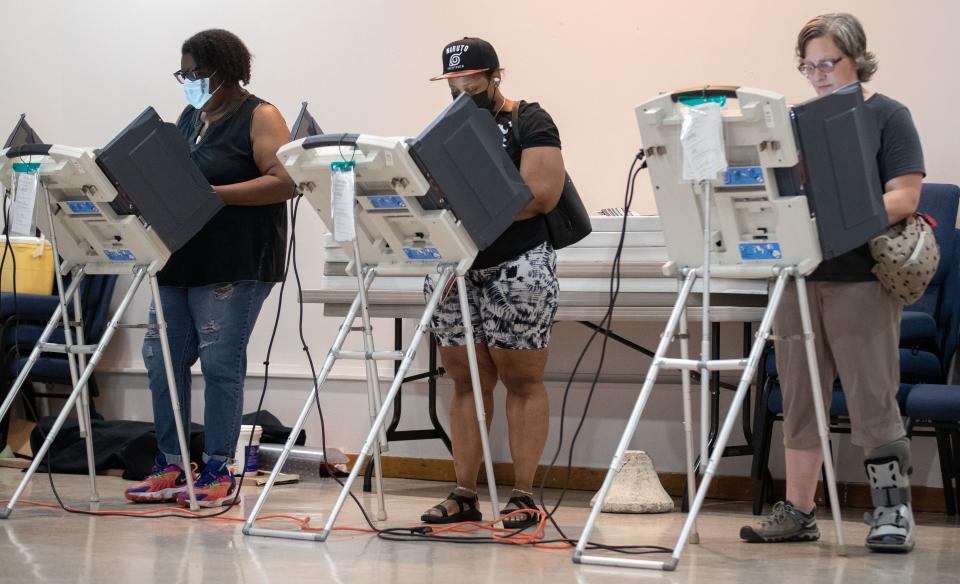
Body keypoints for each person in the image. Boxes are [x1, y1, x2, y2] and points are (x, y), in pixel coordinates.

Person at [740, 13, 924, 552]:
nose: (818, 75)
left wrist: (833, 225)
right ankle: (799, 511)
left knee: (871, 397)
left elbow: (904, 197)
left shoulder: (888, 116)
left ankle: (891, 513)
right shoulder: (792, 122)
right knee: (800, 396)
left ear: (857, 59)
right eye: (809, 65)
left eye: (828, 63)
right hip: (799, 276)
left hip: (861, 277)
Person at [124, 29, 295, 507]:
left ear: (225, 70)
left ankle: (219, 469)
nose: (190, 82)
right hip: (179, 257)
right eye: (184, 74)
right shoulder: (189, 117)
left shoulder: (261, 115)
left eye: (197, 73)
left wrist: (213, 196)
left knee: (221, 363)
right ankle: (171, 463)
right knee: (163, 361)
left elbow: (285, 182)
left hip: (235, 261)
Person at [419, 37, 565, 527]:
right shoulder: (442, 131)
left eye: (471, 80)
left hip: (516, 262)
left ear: (494, 75)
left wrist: (470, 210)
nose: (462, 89)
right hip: (458, 265)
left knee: (522, 379)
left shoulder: (529, 118)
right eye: (453, 82)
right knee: (465, 380)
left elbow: (541, 195)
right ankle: (464, 493)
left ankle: (523, 495)